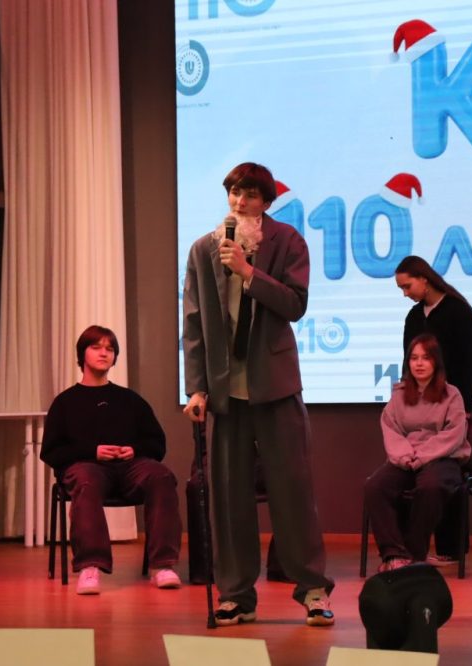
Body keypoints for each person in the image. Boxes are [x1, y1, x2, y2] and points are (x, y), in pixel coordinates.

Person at [181, 162, 335, 627]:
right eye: (234, 192)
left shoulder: (288, 241)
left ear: (266, 201)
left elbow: (295, 303)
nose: (239, 201)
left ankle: (312, 588)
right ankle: (236, 595)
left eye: (249, 194)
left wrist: (248, 271)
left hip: (276, 386)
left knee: (293, 491)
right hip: (226, 394)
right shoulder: (204, 248)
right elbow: (193, 325)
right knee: (229, 499)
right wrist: (197, 388)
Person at [40, 325, 182, 595]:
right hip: (86, 467)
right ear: (82, 354)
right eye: (96, 347)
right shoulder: (65, 402)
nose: (104, 353)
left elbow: (156, 442)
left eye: (110, 348)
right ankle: (90, 566)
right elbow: (51, 451)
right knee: (86, 479)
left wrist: (134, 450)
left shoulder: (130, 400)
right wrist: (92, 452)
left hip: (130, 469)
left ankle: (162, 566)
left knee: (161, 476)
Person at [394, 255, 472, 566]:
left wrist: (465, 407)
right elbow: (407, 361)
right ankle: (405, 548)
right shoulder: (413, 317)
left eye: (407, 286)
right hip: (418, 410)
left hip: (452, 409)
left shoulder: (459, 312)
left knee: (446, 473)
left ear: (424, 279)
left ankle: (450, 548)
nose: (405, 293)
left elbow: (471, 363)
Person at [364, 334, 469, 571]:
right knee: (375, 486)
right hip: (406, 459)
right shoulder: (399, 394)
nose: (419, 363)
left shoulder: (452, 394)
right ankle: (393, 554)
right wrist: (404, 456)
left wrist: (423, 456)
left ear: (436, 362)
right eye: (414, 358)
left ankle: (413, 554)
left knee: (431, 486)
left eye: (425, 358)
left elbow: (454, 434)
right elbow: (391, 428)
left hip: (441, 458)